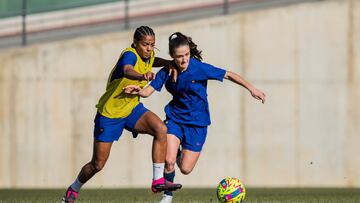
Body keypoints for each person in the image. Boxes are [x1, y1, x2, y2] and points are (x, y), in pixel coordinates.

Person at [123, 32, 266, 203]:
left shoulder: (199, 68)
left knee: (185, 168)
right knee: (168, 161)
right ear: (172, 57)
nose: (183, 60)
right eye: (179, 57)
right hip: (175, 119)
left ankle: (175, 151)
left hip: (198, 124)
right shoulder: (167, 71)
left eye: (186, 55)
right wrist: (138, 91)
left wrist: (252, 89)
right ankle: (167, 197)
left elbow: (228, 74)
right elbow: (148, 91)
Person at [62, 26, 182, 203]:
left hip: (132, 109)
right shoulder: (130, 55)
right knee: (98, 164)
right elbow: (127, 69)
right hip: (110, 114)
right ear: (135, 43)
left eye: (152, 45)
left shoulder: (148, 56)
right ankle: (74, 188)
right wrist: (142, 75)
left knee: (160, 129)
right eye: (145, 44)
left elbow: (153, 60)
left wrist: (169, 63)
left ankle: (157, 181)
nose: (149, 48)